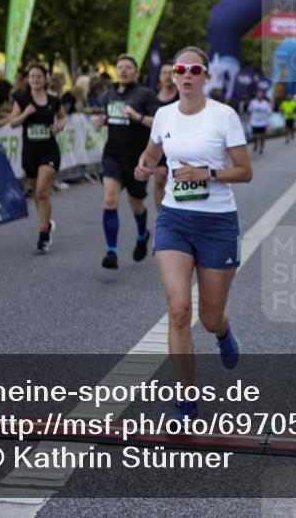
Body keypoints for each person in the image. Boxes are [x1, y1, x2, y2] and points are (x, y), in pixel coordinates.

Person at [134, 46, 252, 422]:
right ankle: (186, 401)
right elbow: (152, 154)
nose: (186, 75)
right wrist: (144, 167)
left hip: (217, 222)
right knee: (179, 311)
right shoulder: (164, 116)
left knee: (208, 318)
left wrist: (208, 174)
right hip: (174, 220)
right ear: (172, 76)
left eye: (194, 69)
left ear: (205, 76)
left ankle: (223, 331)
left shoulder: (224, 116)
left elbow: (245, 171)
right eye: (180, 69)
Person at [93, 54, 159, 270]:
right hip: (112, 155)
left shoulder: (145, 94)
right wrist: (101, 121)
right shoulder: (109, 94)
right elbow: (106, 118)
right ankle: (111, 251)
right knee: (110, 200)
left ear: (136, 72)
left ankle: (142, 234)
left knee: (137, 204)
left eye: (128, 67)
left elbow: (158, 123)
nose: (123, 70)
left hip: (137, 159)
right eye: (120, 67)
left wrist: (137, 116)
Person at [9, 63, 66, 253]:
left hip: (49, 151)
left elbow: (63, 117)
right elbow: (12, 123)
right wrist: (25, 114)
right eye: (32, 76)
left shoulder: (54, 100)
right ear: (28, 79)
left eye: (39, 76)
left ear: (45, 78)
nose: (35, 80)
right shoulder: (22, 99)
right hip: (30, 154)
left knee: (42, 191)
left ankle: (43, 234)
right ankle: (46, 224)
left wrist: (59, 126)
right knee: (37, 194)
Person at [154, 60, 179, 211]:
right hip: (159, 144)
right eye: (164, 73)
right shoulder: (152, 97)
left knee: (178, 180)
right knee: (160, 177)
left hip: (179, 144)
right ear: (159, 77)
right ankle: (161, 216)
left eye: (171, 73)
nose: (167, 76)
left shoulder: (182, 96)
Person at [247, 89, 273, 155]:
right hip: (254, 122)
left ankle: (261, 147)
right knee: (255, 136)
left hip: (263, 123)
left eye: (261, 94)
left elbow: (269, 112)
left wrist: (268, 121)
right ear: (257, 95)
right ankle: (255, 143)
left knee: (262, 137)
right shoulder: (253, 102)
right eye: (259, 94)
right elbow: (249, 111)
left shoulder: (266, 103)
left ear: (263, 95)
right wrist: (249, 119)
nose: (260, 95)